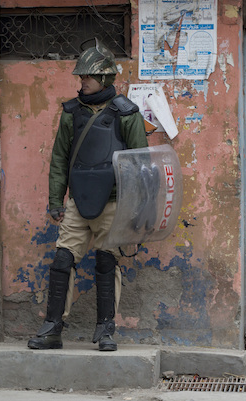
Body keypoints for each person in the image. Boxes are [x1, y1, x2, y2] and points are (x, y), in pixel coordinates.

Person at [27, 39, 148, 352]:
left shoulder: (127, 114)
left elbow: (139, 164)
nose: (82, 81)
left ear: (105, 78)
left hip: (113, 203)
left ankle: (106, 331)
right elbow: (59, 159)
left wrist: (135, 213)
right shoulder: (71, 113)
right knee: (62, 259)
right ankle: (53, 328)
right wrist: (56, 201)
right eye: (80, 77)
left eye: (87, 77)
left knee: (107, 263)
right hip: (78, 202)